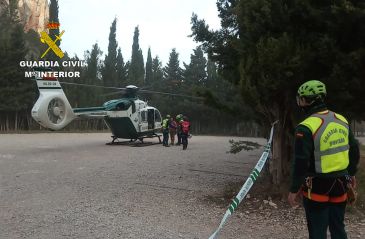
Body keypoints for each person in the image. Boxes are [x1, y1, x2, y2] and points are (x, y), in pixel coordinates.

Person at [288, 80, 359, 239]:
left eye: (300, 99)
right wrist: (352, 173)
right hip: (341, 183)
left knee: (317, 231)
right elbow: (354, 150)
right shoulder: (341, 119)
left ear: (306, 101)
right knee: (338, 228)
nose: (299, 102)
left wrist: (294, 189)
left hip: (317, 186)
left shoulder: (306, 127)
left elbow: (301, 162)